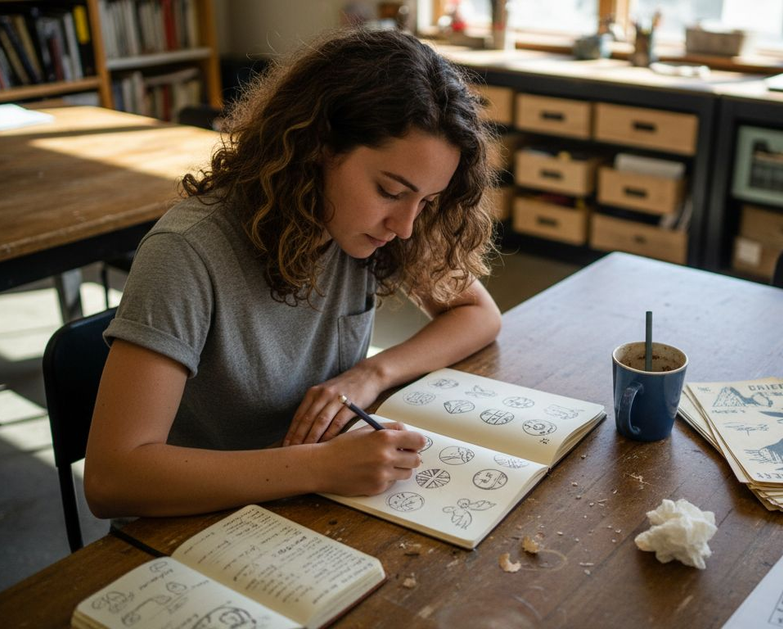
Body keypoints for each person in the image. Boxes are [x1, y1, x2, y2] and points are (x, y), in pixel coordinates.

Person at [84, 28, 502, 519]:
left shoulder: (369, 224)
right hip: (199, 520)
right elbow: (113, 478)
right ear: (316, 147)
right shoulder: (187, 252)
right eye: (390, 191)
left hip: (307, 502)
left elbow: (479, 313)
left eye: (426, 201)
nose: (407, 227)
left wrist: (370, 373)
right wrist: (318, 467)